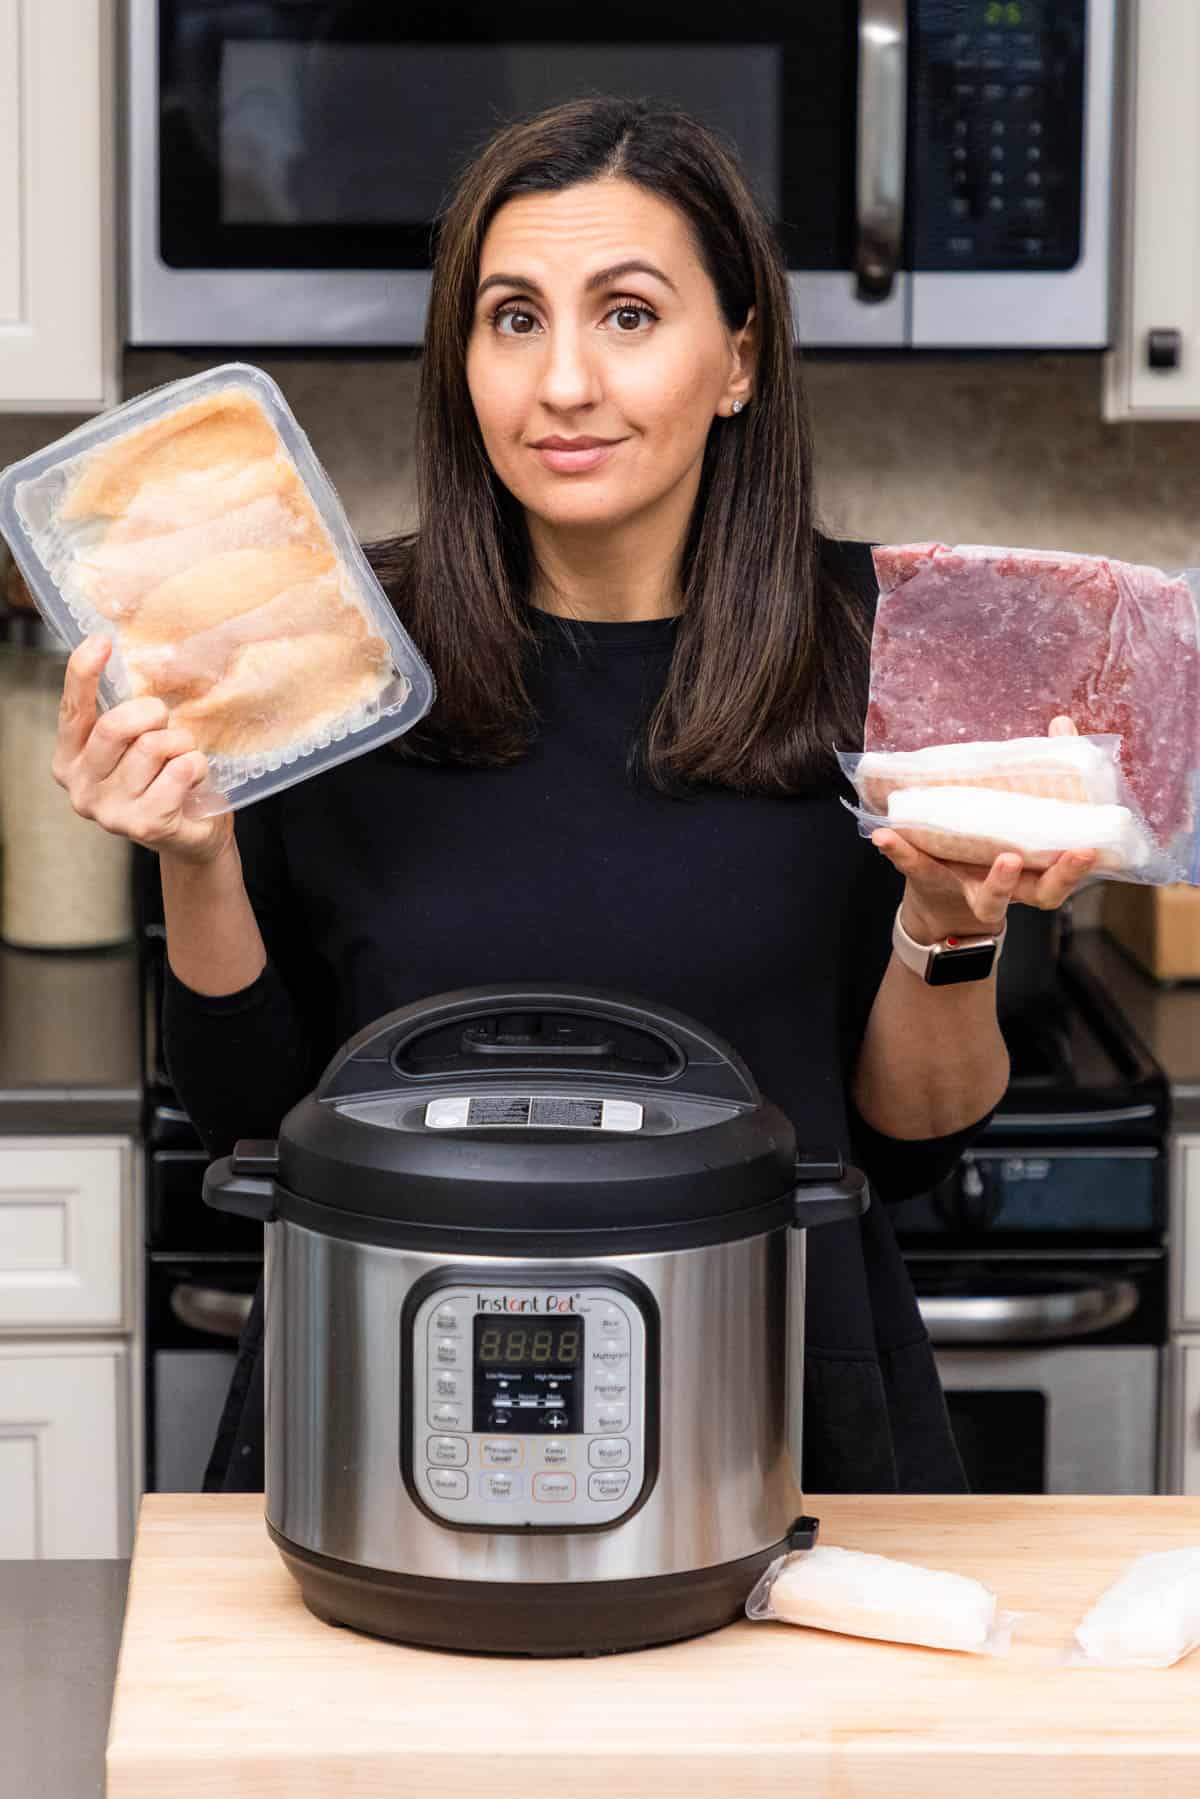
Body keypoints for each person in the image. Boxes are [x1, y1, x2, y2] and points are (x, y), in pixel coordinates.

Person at [52, 96, 1098, 1495]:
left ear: (736, 359)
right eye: (514, 318)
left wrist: (945, 919)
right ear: (464, 362)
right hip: (382, 1418)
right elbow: (251, 1118)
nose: (562, 386)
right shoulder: (328, 654)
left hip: (777, 1415)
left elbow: (911, 1138)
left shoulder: (890, 648)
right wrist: (197, 853)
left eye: (626, 315)